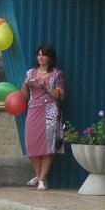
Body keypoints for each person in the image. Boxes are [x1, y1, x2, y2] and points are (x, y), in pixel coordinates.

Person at [21, 44, 65, 191]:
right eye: (39, 54)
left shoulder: (56, 74)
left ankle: (41, 180)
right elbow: (24, 96)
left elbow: (60, 95)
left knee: (48, 145)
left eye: (44, 55)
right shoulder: (30, 73)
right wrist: (25, 84)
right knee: (30, 144)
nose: (41, 57)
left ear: (50, 58)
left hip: (50, 110)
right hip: (33, 109)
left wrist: (46, 86)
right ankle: (38, 175)